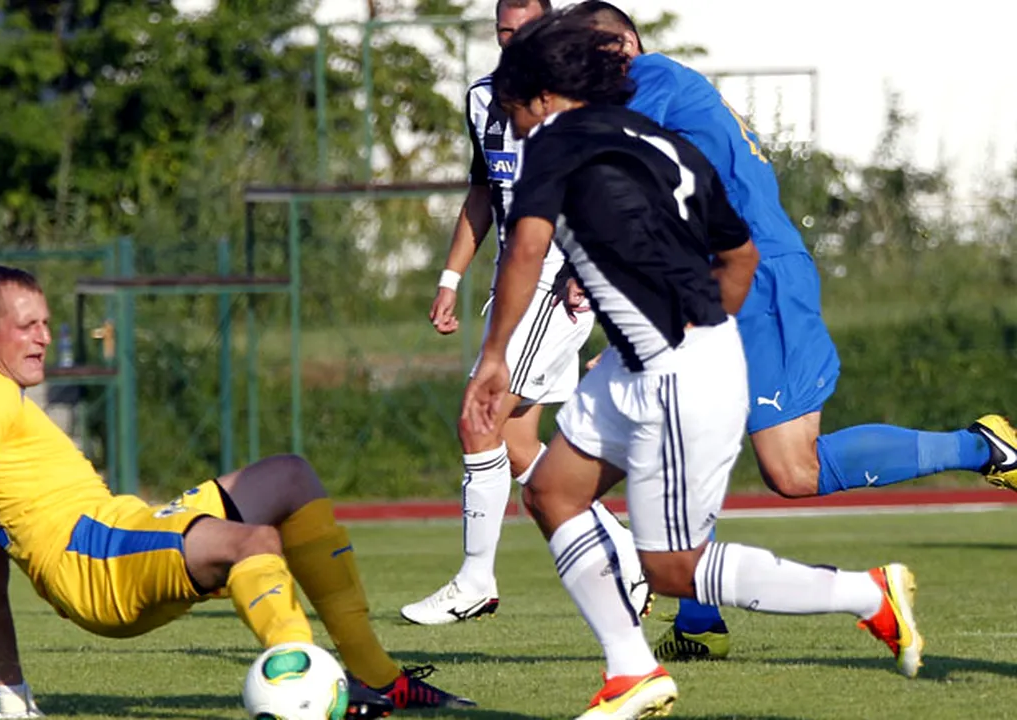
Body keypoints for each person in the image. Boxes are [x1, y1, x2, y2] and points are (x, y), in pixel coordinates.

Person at [467, 12, 923, 718]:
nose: (513, 128)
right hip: (648, 358)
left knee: (673, 566)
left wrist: (493, 357)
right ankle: (632, 670)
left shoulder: (557, 144)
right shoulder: (657, 141)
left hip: (674, 369)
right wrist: (691, 320)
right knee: (553, 490)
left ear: (544, 96)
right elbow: (737, 253)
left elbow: (525, 251)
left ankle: (869, 594)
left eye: (513, 111)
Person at [563, 0, 1017, 662]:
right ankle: (696, 618)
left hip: (761, 284)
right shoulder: (652, 101)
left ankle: (983, 448)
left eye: (587, 56)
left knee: (794, 470)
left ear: (623, 48)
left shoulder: (652, 78)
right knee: (672, 425)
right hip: (719, 281)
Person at [0, 266, 473, 718]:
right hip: (97, 561)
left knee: (289, 478)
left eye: (46, 323)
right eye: (26, 325)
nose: (42, 337)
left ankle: (375, 677)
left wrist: (11, 694)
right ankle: (308, 694)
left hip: (118, 535)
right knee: (255, 539)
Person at [402, 0, 651, 628]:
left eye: (525, 32)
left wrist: (582, 265)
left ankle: (475, 580)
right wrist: (450, 277)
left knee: (477, 415)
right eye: (503, 33)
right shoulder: (484, 98)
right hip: (512, 279)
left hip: (555, 281)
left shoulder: (577, 96)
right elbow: (484, 191)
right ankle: (621, 548)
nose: (513, 43)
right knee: (515, 445)